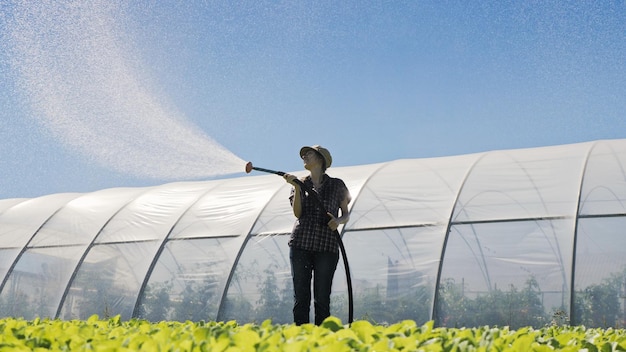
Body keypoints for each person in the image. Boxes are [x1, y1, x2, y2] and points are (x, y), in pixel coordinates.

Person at [282, 145, 351, 325]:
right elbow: (297, 213)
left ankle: (322, 341)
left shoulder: (337, 185)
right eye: (303, 154)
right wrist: (297, 188)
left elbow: (346, 213)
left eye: (308, 153)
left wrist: (338, 221)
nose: (304, 156)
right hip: (301, 244)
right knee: (301, 297)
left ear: (320, 159)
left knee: (322, 299)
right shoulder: (300, 183)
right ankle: (301, 340)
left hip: (326, 247)